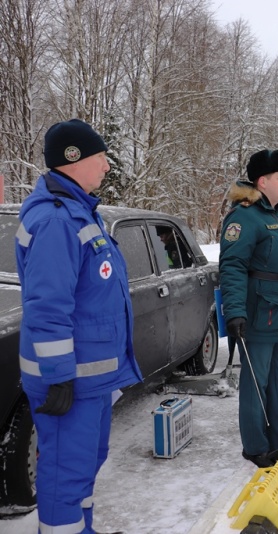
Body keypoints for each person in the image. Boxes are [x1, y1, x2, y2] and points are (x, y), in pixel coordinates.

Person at [15, 118, 143, 534]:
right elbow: (47, 307)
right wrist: (58, 377)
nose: (107, 167)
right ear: (75, 160)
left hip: (88, 379)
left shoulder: (76, 211)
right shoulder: (56, 221)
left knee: (86, 464)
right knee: (64, 476)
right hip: (67, 381)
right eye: (102, 158)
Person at [219, 149, 278, 468]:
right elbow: (232, 266)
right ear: (263, 181)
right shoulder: (244, 216)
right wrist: (234, 312)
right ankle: (257, 446)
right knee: (255, 382)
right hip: (258, 311)